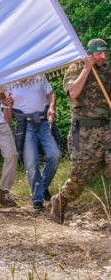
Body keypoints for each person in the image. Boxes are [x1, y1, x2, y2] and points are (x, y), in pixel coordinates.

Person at [51, 39, 111, 224]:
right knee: (80, 178)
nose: (103, 57)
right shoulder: (76, 68)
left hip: (106, 129)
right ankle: (60, 200)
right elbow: (73, 92)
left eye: (105, 53)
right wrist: (86, 69)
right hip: (84, 131)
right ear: (90, 54)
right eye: (99, 54)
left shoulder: (108, 70)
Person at [4, 75, 61, 212]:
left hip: (43, 122)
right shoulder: (9, 82)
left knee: (55, 155)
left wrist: (51, 107)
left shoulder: (39, 75)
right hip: (25, 124)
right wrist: (7, 103)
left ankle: (42, 185)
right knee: (32, 163)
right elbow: (6, 105)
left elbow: (51, 94)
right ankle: (37, 199)